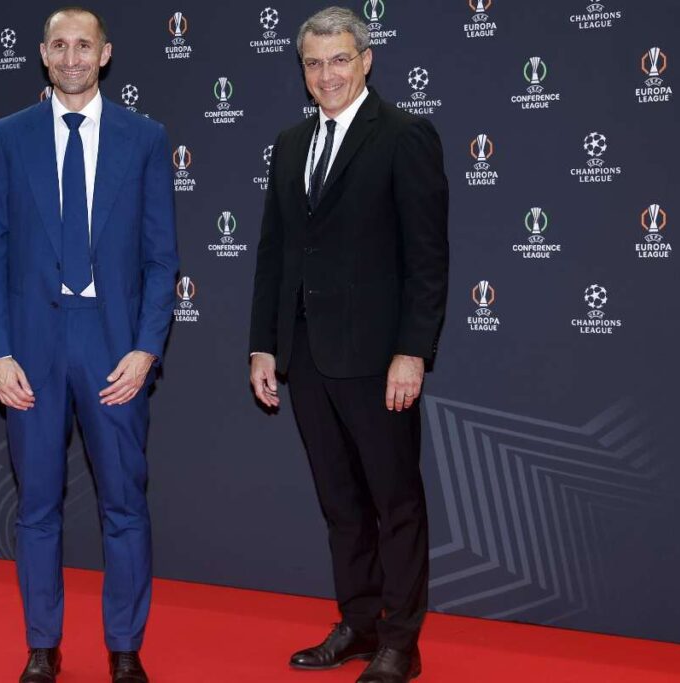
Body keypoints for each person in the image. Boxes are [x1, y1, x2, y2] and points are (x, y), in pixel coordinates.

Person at [0, 7, 177, 682]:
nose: (71, 57)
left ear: (105, 54)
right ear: (42, 53)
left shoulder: (144, 138)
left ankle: (125, 648)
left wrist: (146, 349)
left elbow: (161, 258)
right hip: (31, 347)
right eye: (59, 45)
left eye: (83, 46)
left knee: (124, 503)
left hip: (113, 344)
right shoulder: (8, 137)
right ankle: (42, 645)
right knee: (36, 506)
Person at [248, 6, 449, 683]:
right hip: (306, 355)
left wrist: (412, 350)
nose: (327, 74)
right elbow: (274, 253)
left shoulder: (405, 135)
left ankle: (402, 641)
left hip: (376, 356)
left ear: (366, 60)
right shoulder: (290, 143)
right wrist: (264, 344)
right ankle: (359, 622)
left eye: (339, 59)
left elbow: (427, 258)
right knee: (340, 502)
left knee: (396, 501)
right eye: (314, 63)